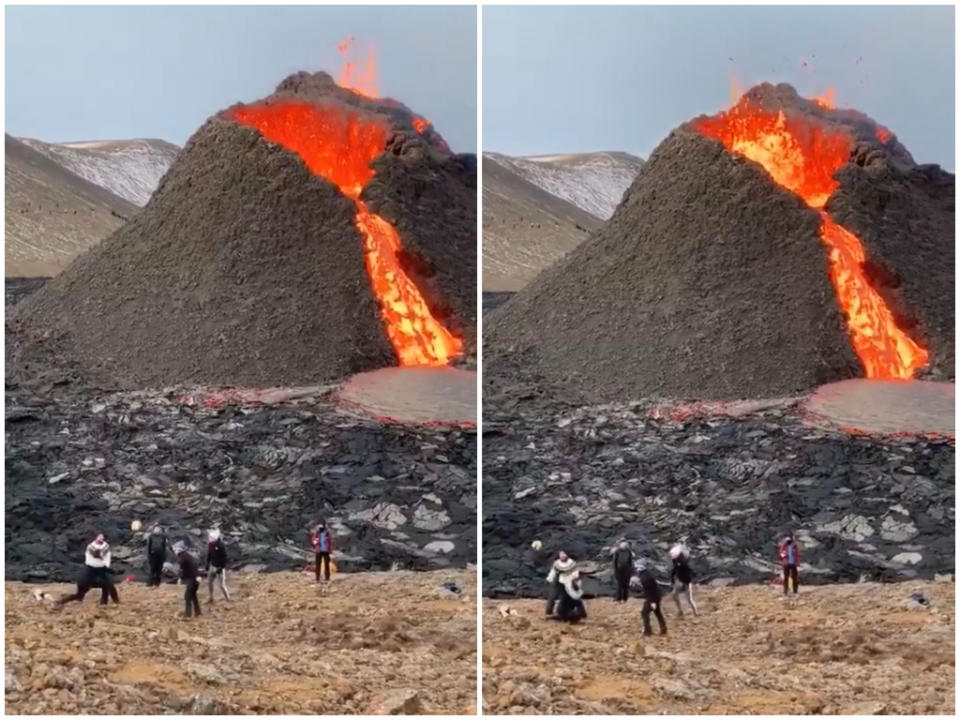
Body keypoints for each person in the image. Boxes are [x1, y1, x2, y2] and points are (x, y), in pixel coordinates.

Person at [55, 533, 119, 607]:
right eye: (99, 537)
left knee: (108, 585)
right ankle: (61, 602)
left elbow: (105, 559)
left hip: (96, 571)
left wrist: (107, 567)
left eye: (102, 537)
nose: (100, 539)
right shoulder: (91, 548)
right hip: (90, 572)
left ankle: (106, 603)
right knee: (80, 595)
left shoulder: (105, 548)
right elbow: (97, 555)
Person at [636, 558, 667, 636]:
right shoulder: (646, 573)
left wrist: (653, 602)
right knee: (657, 612)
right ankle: (663, 629)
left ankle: (647, 632)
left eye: (638, 566)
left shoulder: (645, 577)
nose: (636, 567)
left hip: (653, 598)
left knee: (644, 612)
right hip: (656, 596)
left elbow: (650, 590)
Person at [174, 542, 202, 618]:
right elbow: (185, 569)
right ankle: (198, 612)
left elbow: (193, 566)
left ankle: (188, 615)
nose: (175, 550)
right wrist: (181, 578)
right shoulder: (184, 556)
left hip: (193, 578)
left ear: (180, 549)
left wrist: (197, 576)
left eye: (176, 548)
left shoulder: (183, 557)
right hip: (193, 578)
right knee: (193, 595)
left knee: (187, 596)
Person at [669, 543, 698, 617]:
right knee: (676, 595)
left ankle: (695, 612)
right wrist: (672, 579)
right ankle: (682, 611)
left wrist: (673, 580)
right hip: (681, 580)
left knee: (689, 599)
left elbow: (681, 569)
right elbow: (674, 570)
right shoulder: (678, 562)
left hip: (685, 581)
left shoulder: (683, 563)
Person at [545, 550, 576, 617]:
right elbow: (553, 572)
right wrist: (549, 579)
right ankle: (549, 612)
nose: (562, 555)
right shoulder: (556, 563)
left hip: (567, 582)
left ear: (567, 555)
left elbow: (574, 573)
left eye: (564, 554)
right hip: (557, 582)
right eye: (561, 554)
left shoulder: (572, 563)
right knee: (552, 597)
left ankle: (567, 612)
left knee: (567, 598)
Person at [205, 529, 231, 603]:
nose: (209, 538)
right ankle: (211, 598)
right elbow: (209, 554)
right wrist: (207, 564)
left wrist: (221, 567)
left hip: (219, 568)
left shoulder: (221, 545)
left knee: (221, 585)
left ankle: (228, 599)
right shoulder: (210, 545)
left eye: (210, 537)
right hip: (212, 566)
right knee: (209, 583)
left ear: (215, 538)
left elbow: (224, 557)